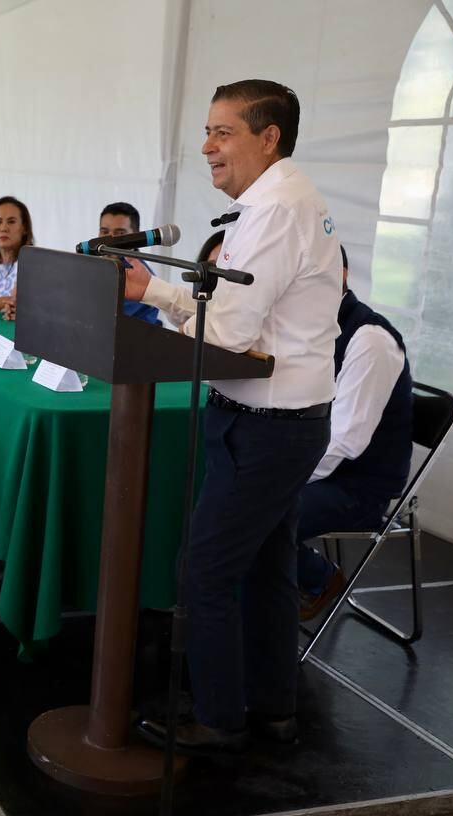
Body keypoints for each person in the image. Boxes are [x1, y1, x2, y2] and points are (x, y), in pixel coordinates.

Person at [128, 80, 342, 753]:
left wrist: (151, 289)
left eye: (222, 132)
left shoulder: (276, 210)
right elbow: (239, 323)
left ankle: (219, 717)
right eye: (207, 131)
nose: (206, 147)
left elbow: (227, 333)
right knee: (266, 568)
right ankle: (273, 705)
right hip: (284, 418)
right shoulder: (285, 200)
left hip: (269, 422)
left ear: (268, 136)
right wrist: (165, 293)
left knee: (206, 570)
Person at [296, 245, 413, 619]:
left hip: (359, 487)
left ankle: (317, 579)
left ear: (342, 275)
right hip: (321, 471)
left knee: (258, 513)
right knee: (231, 496)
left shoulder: (370, 339)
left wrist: (280, 478)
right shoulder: (309, 327)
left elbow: (344, 441)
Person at [97, 202, 162, 325]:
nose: (109, 239)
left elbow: (102, 316)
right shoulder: (97, 267)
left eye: (120, 233)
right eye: (104, 231)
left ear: (136, 236)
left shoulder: (142, 277)